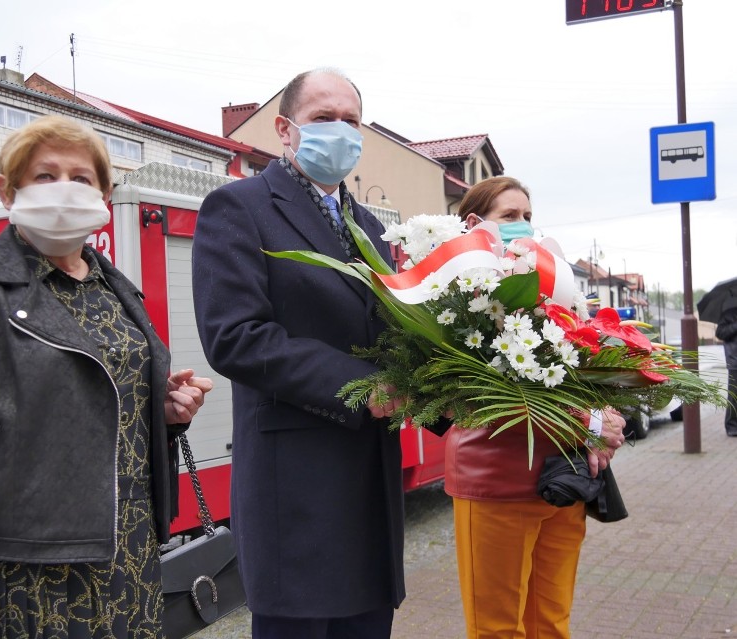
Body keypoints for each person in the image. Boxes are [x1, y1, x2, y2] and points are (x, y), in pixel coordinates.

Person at [0, 115, 213, 639]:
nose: (64, 188)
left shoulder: (118, 290)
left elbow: (104, 410)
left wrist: (165, 415)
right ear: (7, 190)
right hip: (23, 576)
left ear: (104, 194)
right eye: (44, 175)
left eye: (81, 177)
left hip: (129, 562)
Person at [191, 68, 405, 639]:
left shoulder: (370, 229)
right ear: (285, 130)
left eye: (351, 121)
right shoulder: (239, 207)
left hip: (369, 495)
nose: (340, 131)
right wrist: (364, 388)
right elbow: (235, 336)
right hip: (297, 498)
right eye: (323, 118)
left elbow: (390, 339)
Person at [447, 176, 625, 638]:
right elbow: (479, 394)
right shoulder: (454, 297)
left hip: (562, 482)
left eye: (527, 216)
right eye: (509, 217)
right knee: (498, 629)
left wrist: (605, 412)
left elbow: (585, 372)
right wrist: (584, 420)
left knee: (552, 623)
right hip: (496, 484)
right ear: (474, 223)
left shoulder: (557, 292)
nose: (522, 225)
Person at [715, 298, 737, 436]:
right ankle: (732, 426)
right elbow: (720, 333)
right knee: (734, 395)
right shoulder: (729, 314)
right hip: (735, 360)